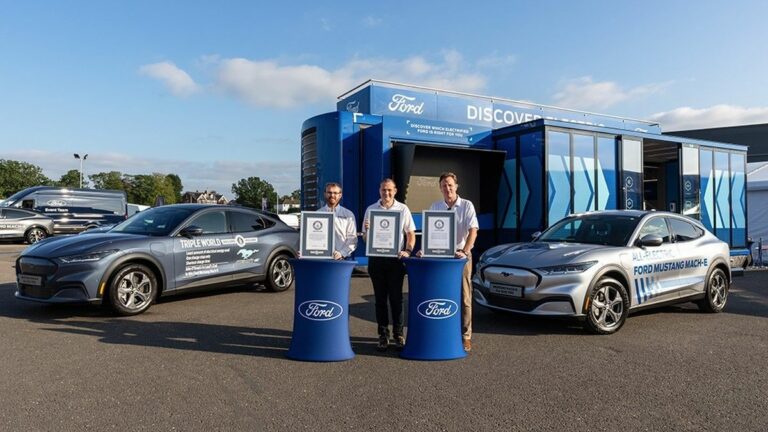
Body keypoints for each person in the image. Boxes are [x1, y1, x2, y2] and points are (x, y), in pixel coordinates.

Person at [363, 178, 416, 351]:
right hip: (376, 260)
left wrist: (408, 250)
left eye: (389, 190)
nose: (386, 193)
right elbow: (365, 239)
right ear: (379, 191)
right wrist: (368, 231)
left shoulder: (403, 209)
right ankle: (383, 335)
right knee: (380, 299)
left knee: (396, 299)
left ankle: (398, 334)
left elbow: (410, 233)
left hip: (396, 260)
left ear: (395, 191)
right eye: (383, 190)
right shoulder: (371, 209)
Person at [428, 172, 478, 352]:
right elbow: (431, 232)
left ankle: (466, 336)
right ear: (440, 188)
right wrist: (426, 249)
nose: (447, 188)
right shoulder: (435, 206)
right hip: (441, 258)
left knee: (464, 297)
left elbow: (473, 231)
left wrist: (465, 251)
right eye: (444, 185)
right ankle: (444, 333)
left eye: (450, 185)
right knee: (442, 296)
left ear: (456, 186)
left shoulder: (466, 205)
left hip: (460, 257)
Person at [318, 182, 357, 260]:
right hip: (321, 258)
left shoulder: (348, 214)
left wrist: (342, 253)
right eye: (329, 192)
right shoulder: (317, 214)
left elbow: (352, 239)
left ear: (340, 195)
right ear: (325, 194)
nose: (332, 195)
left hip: (342, 259)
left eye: (335, 193)